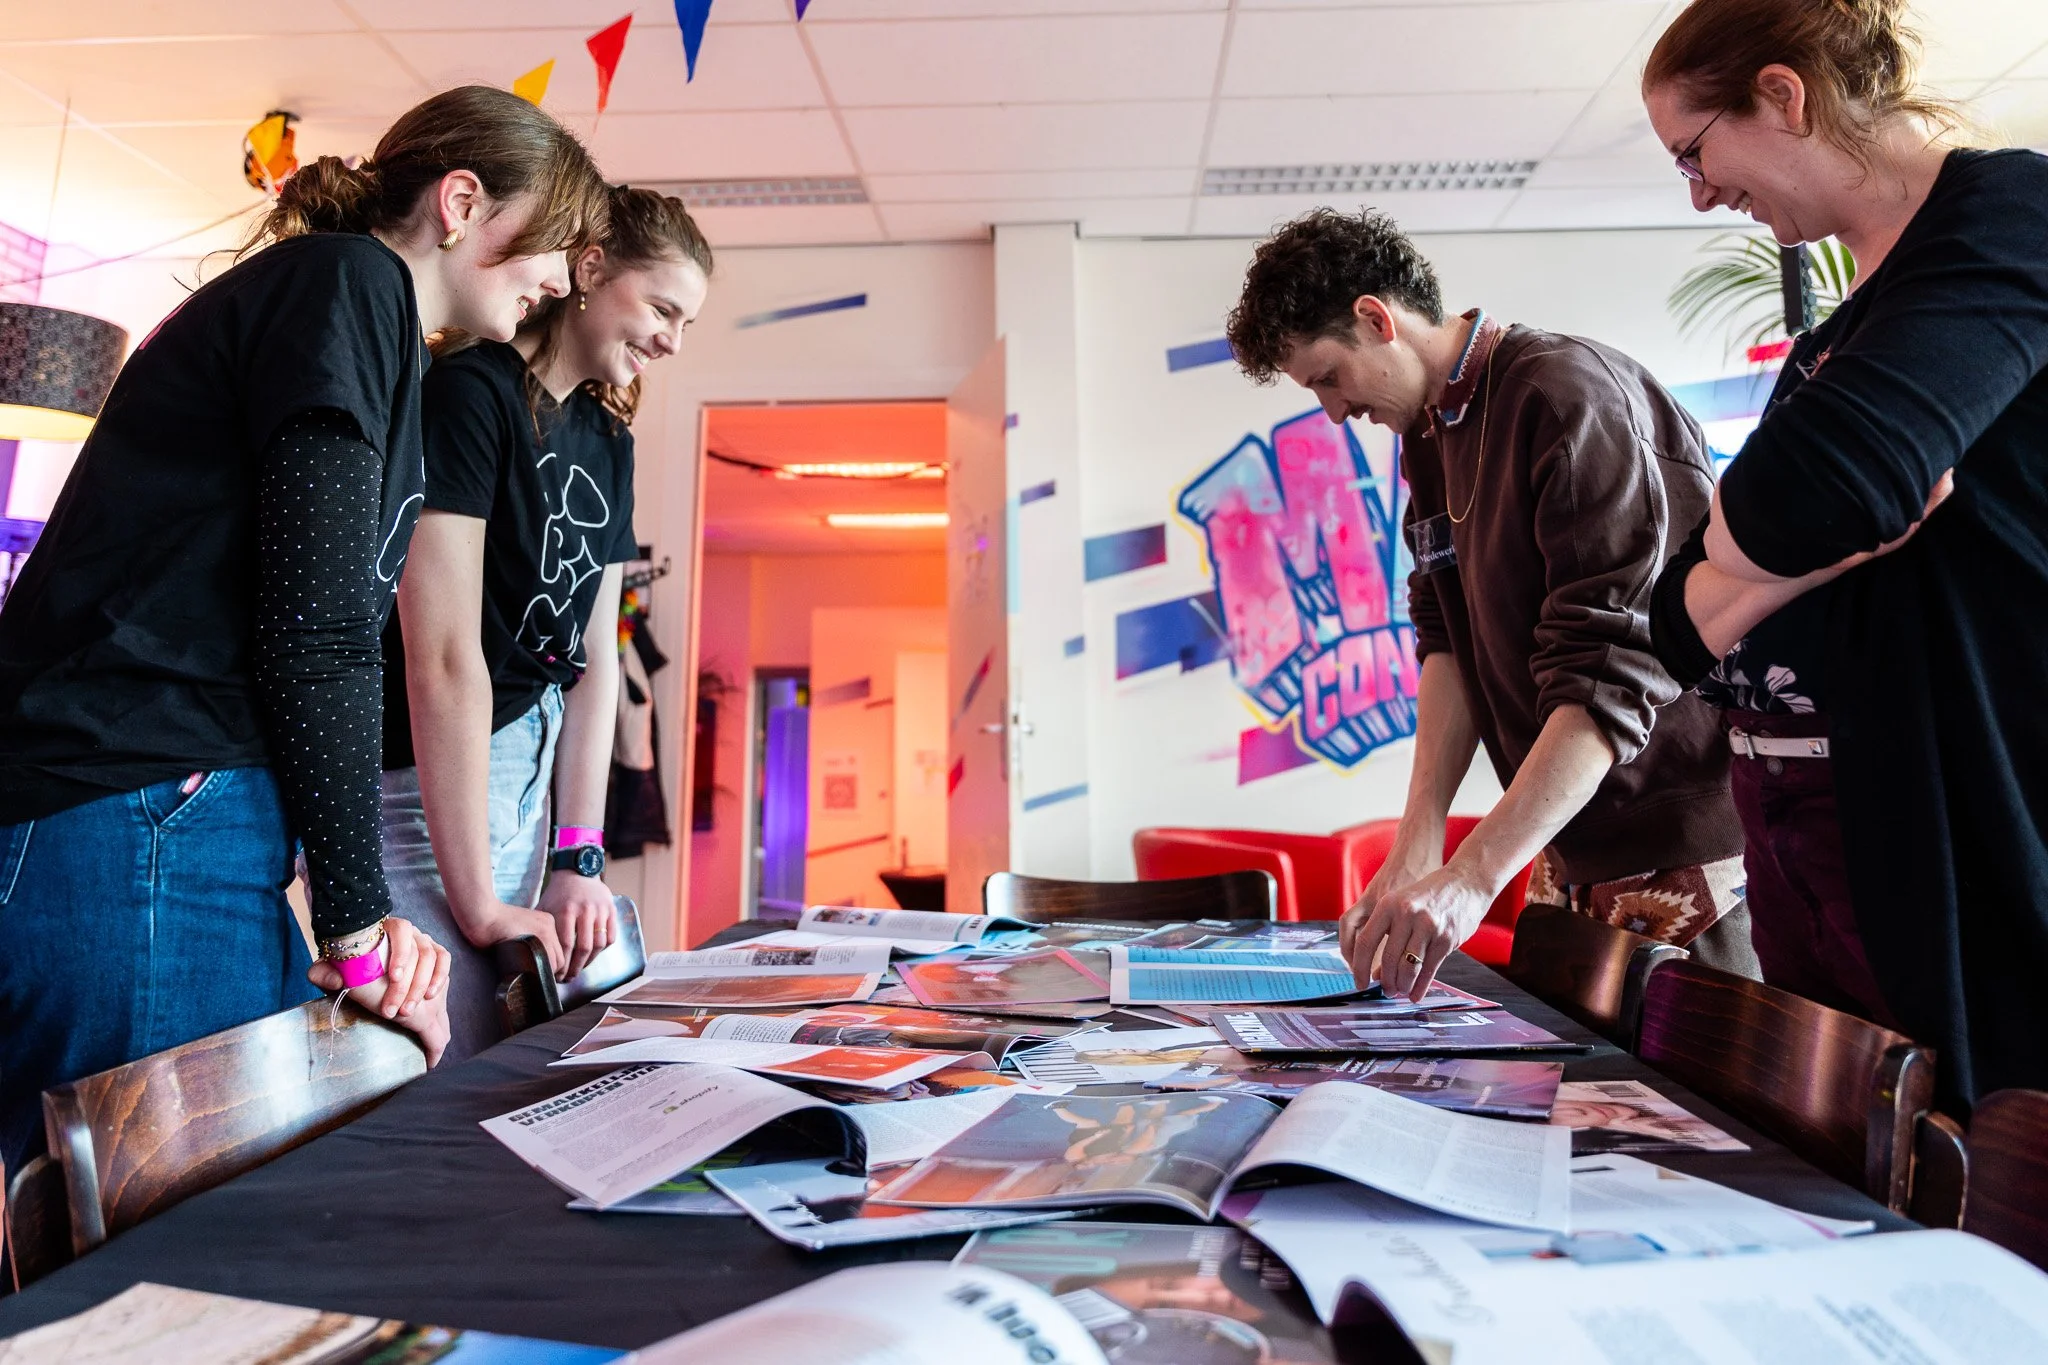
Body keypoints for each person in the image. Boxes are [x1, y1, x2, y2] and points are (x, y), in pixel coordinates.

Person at [0, 84, 611, 1178]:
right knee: (151, 1254)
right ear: (462, 201)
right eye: (558, 246)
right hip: (137, 802)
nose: (564, 282)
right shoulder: (348, 284)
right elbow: (319, 629)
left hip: (174, 807)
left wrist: (341, 910)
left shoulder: (360, 314)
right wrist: (357, 922)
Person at [1639, 0, 2048, 1107]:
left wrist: (1762, 543)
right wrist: (1796, 550)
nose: (1699, 193)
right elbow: (1675, 619)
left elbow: (1804, 499)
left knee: (1975, 1193)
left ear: (1782, 97)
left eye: (1694, 151)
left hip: (1959, 835)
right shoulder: (1841, 332)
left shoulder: (2006, 216)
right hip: (1818, 853)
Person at [1226, 210, 1750, 1004]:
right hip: (1566, 846)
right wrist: (1419, 840)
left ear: (1377, 318)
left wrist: (1472, 878)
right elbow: (1448, 642)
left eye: (1329, 377)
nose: (1332, 412)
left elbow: (1608, 676)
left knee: (1701, 1118)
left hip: (1677, 849)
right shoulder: (1431, 434)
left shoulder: (1564, 396)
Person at [382, 186, 712, 1059]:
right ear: (591, 268)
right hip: (430, 771)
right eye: (663, 308)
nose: (673, 340)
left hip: (534, 763)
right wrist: (483, 903)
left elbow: (595, 658)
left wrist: (579, 854)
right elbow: (444, 657)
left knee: (510, 1044)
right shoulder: (468, 395)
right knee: (437, 1058)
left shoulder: (611, 440)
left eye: (687, 322)